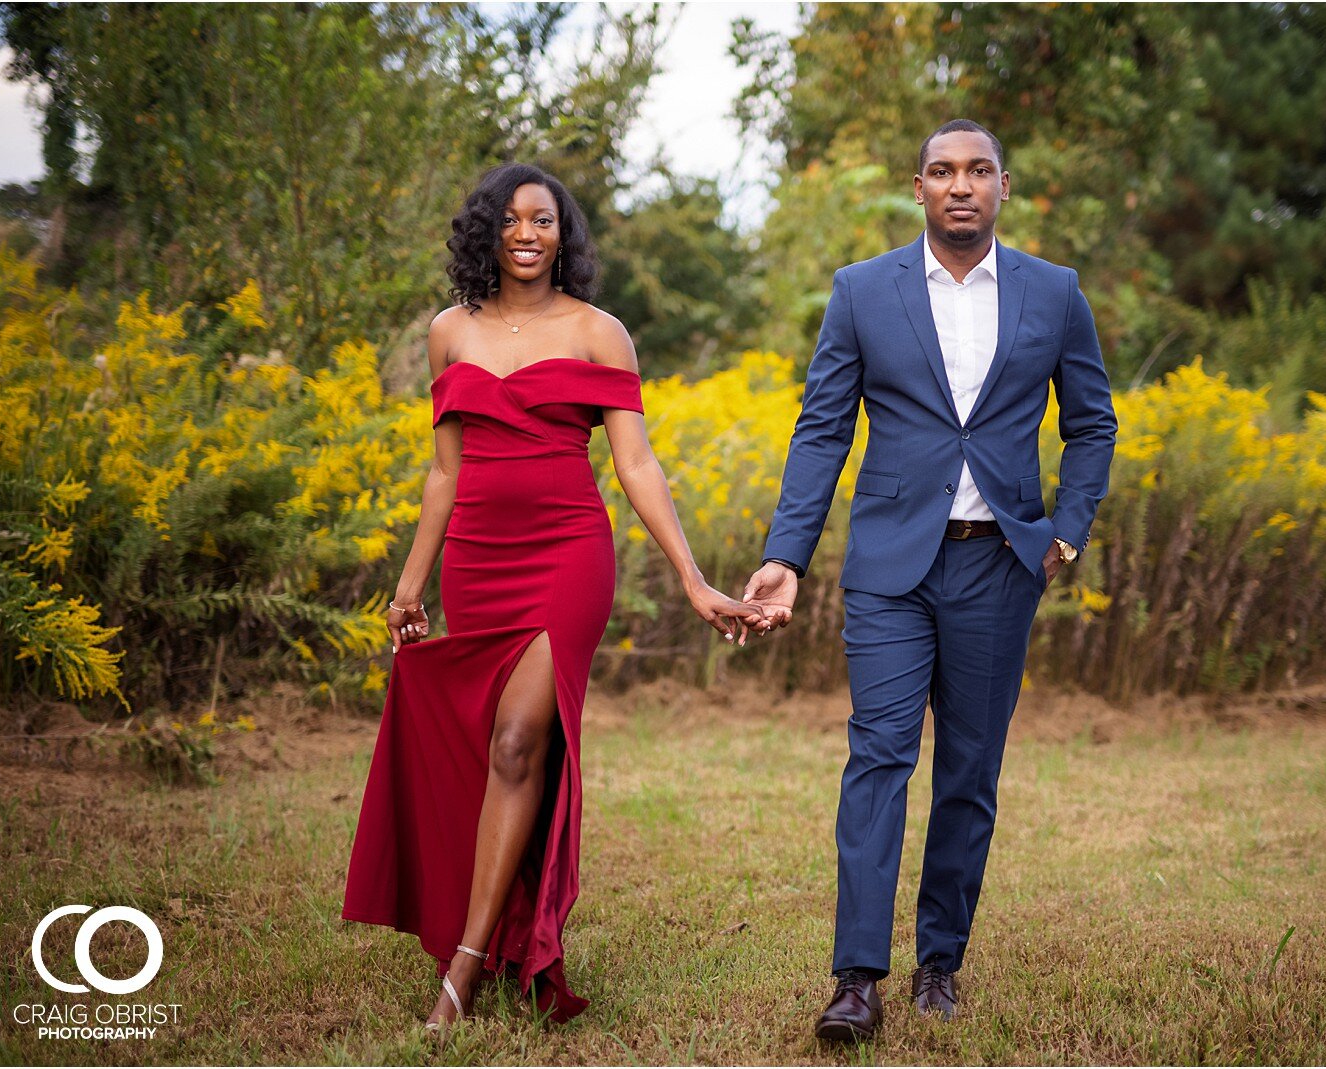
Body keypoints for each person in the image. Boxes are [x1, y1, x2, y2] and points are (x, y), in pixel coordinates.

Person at [341, 162, 769, 1036]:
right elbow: (444, 471)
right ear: (486, 234)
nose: (527, 234)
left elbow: (636, 464)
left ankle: (463, 970)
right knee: (489, 749)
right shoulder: (447, 332)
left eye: (544, 220)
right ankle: (494, 932)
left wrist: (692, 577)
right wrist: (409, 583)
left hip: (567, 554)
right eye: (510, 220)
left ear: (562, 235)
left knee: (516, 738)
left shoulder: (599, 332)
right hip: (475, 560)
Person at [743, 119, 1118, 1041]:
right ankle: (858, 977)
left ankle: (940, 958)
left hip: (999, 564)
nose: (961, 185)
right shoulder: (862, 292)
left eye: (979, 170)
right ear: (918, 187)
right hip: (889, 569)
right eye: (943, 171)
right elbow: (823, 427)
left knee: (968, 770)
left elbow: (1094, 423)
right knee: (878, 755)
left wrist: (1067, 529)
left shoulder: (1056, 294)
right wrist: (786, 554)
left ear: (1002, 185)